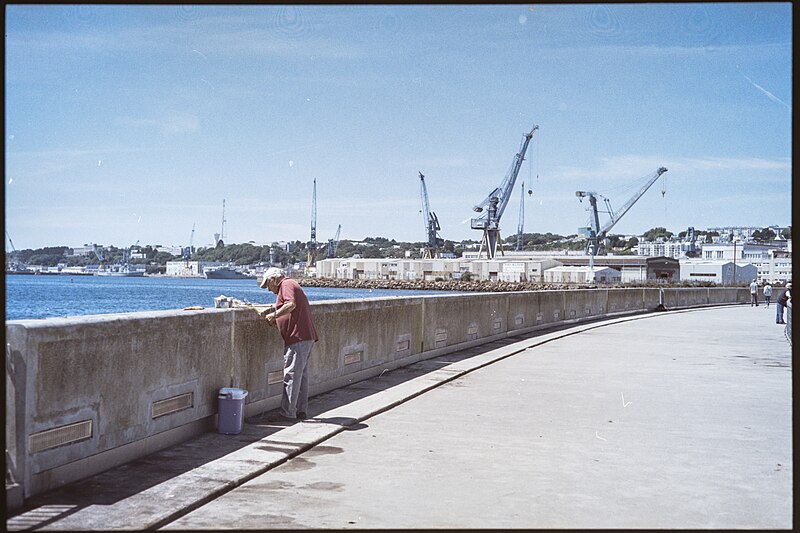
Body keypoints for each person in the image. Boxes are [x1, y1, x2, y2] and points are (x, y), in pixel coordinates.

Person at [259, 267, 319, 422]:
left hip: (298, 337)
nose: (268, 289)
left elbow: (290, 304)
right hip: (304, 336)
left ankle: (287, 414)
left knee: (292, 375)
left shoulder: (286, 285)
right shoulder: (290, 284)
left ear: (274, 279)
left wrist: (274, 315)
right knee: (301, 376)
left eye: (268, 285)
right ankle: (300, 411)